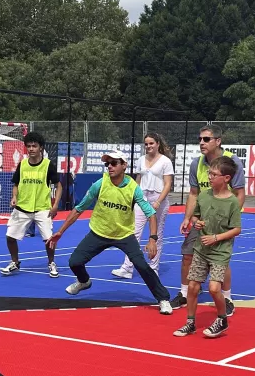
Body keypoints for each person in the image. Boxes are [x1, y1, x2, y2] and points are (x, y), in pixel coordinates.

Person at [48, 150, 173, 315]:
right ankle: (84, 281)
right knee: (74, 262)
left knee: (142, 265)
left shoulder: (133, 188)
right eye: (107, 164)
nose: (110, 167)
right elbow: (79, 209)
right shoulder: (100, 184)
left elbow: (150, 214)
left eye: (114, 163)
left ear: (124, 165)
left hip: (124, 235)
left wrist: (152, 239)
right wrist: (60, 232)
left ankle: (163, 299)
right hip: (99, 232)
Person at [173, 124, 245, 316]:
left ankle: (227, 296)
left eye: (206, 139)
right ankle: (184, 292)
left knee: (221, 260)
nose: (201, 143)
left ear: (218, 141)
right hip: (201, 218)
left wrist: (230, 219)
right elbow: (194, 193)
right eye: (200, 139)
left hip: (222, 221)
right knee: (188, 255)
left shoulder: (231, 161)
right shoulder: (197, 164)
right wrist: (187, 218)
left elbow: (239, 193)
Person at [113, 132, 175, 279]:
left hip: (158, 197)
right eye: (146, 144)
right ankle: (127, 268)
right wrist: (133, 198)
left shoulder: (165, 161)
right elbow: (138, 181)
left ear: (157, 144)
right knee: (133, 232)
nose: (148, 146)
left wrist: (158, 201)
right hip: (142, 198)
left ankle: (153, 268)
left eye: (151, 143)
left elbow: (168, 184)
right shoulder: (141, 160)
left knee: (156, 234)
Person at [0, 132, 61, 278]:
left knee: (49, 239)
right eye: (29, 146)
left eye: (34, 146)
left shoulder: (48, 165)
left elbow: (59, 186)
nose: (31, 149)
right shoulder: (22, 164)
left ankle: (51, 263)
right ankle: (15, 262)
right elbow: (15, 184)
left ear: (41, 148)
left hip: (42, 208)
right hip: (22, 207)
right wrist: (14, 197)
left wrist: (55, 205)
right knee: (10, 237)